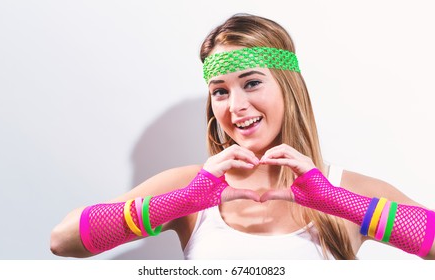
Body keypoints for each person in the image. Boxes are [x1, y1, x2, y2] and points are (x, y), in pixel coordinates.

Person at [50, 13, 435, 260]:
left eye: (251, 83)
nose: (235, 106)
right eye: (220, 91)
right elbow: (64, 240)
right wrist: (180, 201)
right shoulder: (190, 187)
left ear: (288, 87)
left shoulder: (346, 188)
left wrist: (340, 202)